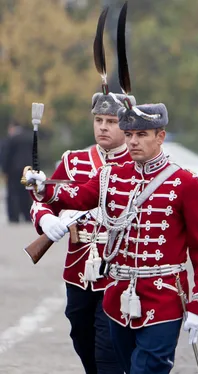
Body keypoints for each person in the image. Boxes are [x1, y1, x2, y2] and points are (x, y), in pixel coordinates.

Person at [23, 5, 198, 371]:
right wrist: (42, 188)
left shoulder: (184, 182)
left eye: (140, 134)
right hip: (115, 296)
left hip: (162, 299)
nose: (131, 141)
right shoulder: (110, 173)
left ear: (161, 136)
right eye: (127, 134)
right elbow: (75, 195)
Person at [27, 12, 134, 371]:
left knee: (108, 352)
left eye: (111, 122)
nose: (103, 128)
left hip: (118, 271)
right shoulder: (73, 161)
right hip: (77, 270)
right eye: (98, 121)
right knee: (80, 336)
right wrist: (47, 221)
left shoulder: (137, 164)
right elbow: (41, 201)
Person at [1, 121, 33, 223]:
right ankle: (28, 215)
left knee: (13, 194)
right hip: (27, 170)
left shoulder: (11, 139)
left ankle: (14, 217)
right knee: (26, 193)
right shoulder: (29, 138)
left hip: (13, 171)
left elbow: (6, 155)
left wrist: (4, 170)